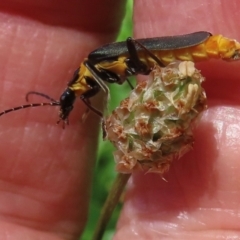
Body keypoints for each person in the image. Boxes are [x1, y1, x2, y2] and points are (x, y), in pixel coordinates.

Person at [0, 0, 240, 239]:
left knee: (130, 44)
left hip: (158, 53)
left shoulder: (94, 64)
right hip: (151, 61)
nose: (72, 101)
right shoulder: (88, 80)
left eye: (69, 99)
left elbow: (105, 86)